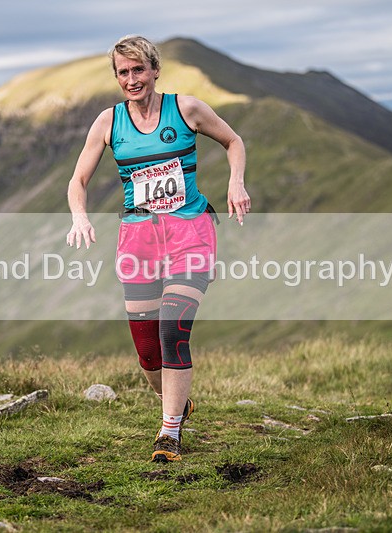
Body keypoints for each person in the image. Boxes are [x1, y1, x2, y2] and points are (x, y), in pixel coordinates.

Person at [66, 35, 250, 462]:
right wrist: (79, 215)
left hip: (192, 232)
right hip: (139, 239)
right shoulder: (108, 122)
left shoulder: (186, 109)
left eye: (138, 70)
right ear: (117, 77)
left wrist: (235, 181)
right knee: (148, 351)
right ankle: (177, 404)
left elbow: (233, 141)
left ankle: (169, 433)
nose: (132, 79)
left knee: (173, 329)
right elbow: (78, 181)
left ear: (154, 70)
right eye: (123, 72)